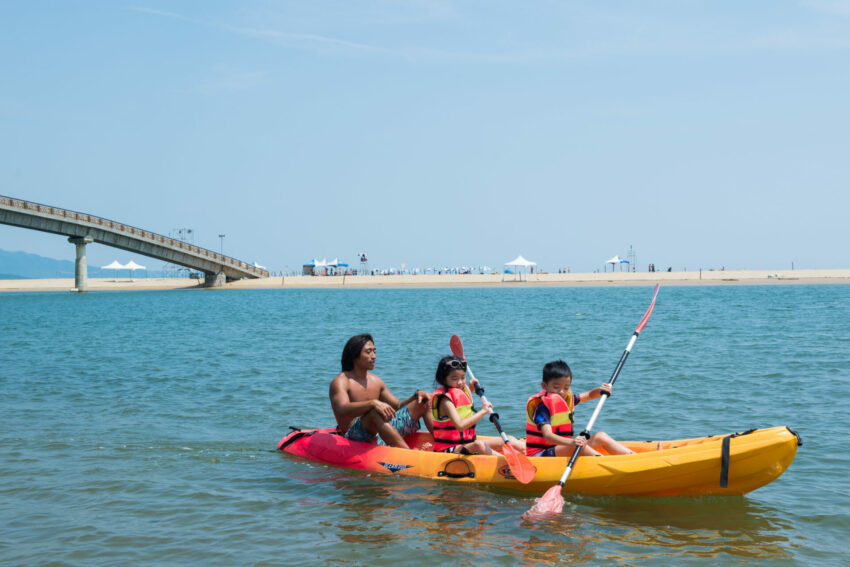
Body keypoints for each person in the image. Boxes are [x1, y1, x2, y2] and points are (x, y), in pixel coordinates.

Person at [329, 333, 432, 449]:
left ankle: (445, 444)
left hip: (380, 433)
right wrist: (373, 403)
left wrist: (415, 396)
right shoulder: (341, 381)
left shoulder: (376, 381)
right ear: (354, 355)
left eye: (374, 351)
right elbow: (342, 408)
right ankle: (410, 455)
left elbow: (397, 407)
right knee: (374, 411)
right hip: (354, 437)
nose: (374, 356)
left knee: (423, 402)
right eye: (368, 352)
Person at [525, 360, 634, 457]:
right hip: (541, 455)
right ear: (544, 386)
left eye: (566, 387)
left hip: (561, 448)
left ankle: (633, 458)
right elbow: (548, 437)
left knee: (600, 436)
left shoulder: (566, 399)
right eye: (556, 387)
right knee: (578, 446)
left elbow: (589, 395)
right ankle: (606, 463)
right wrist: (572, 442)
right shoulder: (542, 408)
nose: (562, 391)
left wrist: (600, 391)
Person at [431, 355, 525, 455]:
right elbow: (460, 426)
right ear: (443, 379)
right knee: (479, 445)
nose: (460, 382)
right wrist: (483, 411)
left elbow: (461, 404)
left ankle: (532, 454)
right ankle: (506, 464)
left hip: (467, 443)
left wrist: (471, 389)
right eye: (454, 379)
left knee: (509, 439)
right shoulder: (445, 401)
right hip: (450, 449)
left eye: (463, 378)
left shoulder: (460, 390)